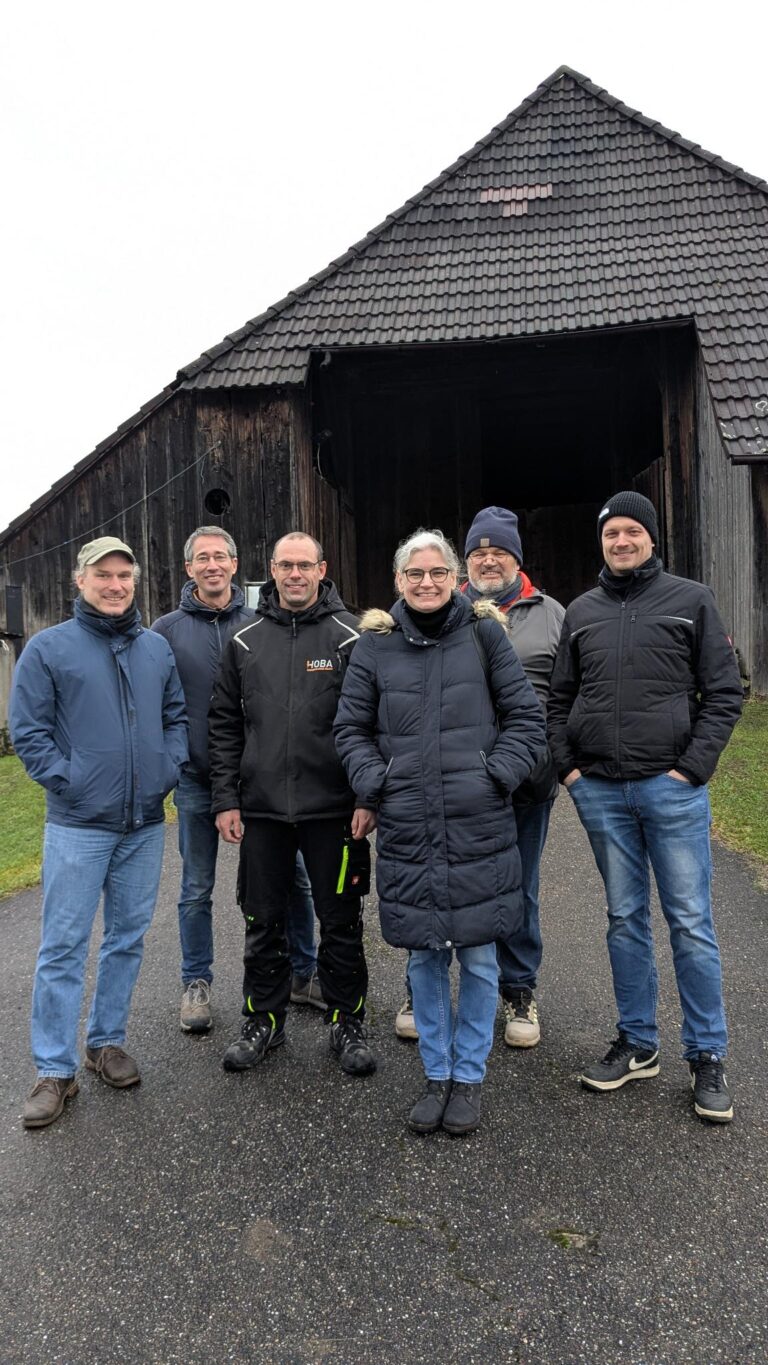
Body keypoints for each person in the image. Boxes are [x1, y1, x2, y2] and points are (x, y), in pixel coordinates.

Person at [334, 529, 546, 1135]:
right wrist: (379, 782)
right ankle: (436, 1073)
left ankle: (469, 1078)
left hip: (478, 821)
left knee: (478, 956)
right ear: (398, 581)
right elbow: (350, 728)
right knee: (425, 956)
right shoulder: (375, 647)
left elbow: (526, 718)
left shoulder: (484, 635)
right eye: (413, 574)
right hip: (409, 822)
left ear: (454, 578)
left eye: (436, 572)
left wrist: (494, 776)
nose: (426, 582)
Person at [547, 490, 743, 1123]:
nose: (622, 542)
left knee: (689, 920)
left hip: (670, 788)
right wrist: (571, 770)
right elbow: (558, 699)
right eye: (612, 534)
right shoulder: (581, 612)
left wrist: (692, 768)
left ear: (652, 539)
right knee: (624, 917)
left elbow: (725, 691)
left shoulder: (692, 601)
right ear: (601, 542)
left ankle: (707, 1056)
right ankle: (637, 1043)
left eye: (633, 532)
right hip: (602, 789)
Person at [10, 536, 188, 1130]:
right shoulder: (48, 648)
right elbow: (28, 732)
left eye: (125, 576)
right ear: (79, 580)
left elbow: (175, 717)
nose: (115, 586)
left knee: (127, 937)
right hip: (79, 826)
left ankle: (104, 1042)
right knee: (62, 946)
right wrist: (70, 783)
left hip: (142, 823)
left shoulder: (155, 649)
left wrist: (167, 768)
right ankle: (53, 1070)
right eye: (103, 575)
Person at [394, 506, 565, 1049]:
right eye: (478, 553)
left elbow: (569, 697)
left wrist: (546, 763)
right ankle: (423, 989)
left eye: (500, 551)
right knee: (436, 877)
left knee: (517, 887)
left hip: (525, 777)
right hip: (451, 781)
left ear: (518, 558)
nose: (489, 560)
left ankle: (518, 988)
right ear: (464, 563)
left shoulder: (552, 614)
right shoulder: (448, 614)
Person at [208, 532, 376, 1078]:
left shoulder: (352, 638)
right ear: (271, 571)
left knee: (341, 920)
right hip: (261, 812)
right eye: (286, 565)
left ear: (322, 569)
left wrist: (365, 796)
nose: (296, 574)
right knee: (262, 919)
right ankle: (263, 1018)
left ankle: (347, 1020)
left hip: (334, 811)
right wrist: (226, 799)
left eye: (306, 565)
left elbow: (373, 725)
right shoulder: (244, 639)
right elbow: (226, 726)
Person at [152, 526, 322, 1033]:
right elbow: (159, 706)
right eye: (201, 558)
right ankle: (196, 983)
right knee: (196, 887)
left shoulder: (260, 624)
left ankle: (303, 971)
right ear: (189, 569)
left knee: (295, 880)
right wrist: (175, 759)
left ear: (235, 564)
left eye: (220, 556)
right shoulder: (165, 631)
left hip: (264, 781)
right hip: (199, 780)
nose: (212, 565)